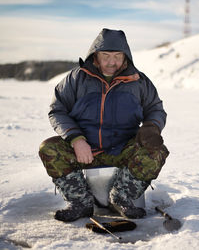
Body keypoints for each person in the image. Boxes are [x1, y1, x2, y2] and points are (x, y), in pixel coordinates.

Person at [38, 28, 169, 222]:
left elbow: (155, 109)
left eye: (117, 55)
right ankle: (80, 202)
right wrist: (76, 139)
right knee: (49, 148)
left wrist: (151, 127)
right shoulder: (76, 79)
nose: (111, 61)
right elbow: (57, 110)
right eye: (105, 55)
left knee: (157, 151)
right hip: (86, 150)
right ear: (95, 56)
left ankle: (122, 197)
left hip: (124, 150)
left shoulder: (139, 81)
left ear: (126, 57)